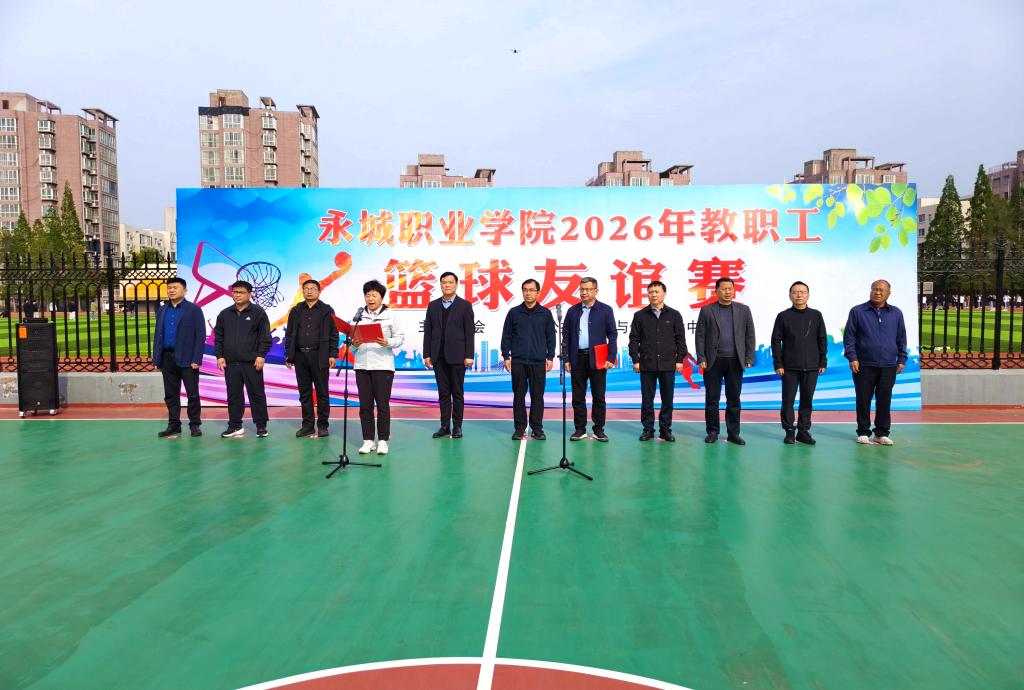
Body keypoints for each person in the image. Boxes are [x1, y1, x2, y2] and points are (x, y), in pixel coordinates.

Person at [843, 279, 908, 445]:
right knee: (863, 399)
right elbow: (849, 337)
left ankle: (881, 433)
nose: (877, 292)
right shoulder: (857, 311)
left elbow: (901, 337)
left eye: (881, 290)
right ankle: (863, 432)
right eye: (874, 289)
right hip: (863, 364)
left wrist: (901, 358)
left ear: (888, 293)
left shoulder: (896, 313)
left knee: (884, 400)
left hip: (888, 365)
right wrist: (852, 357)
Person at [695, 277, 756, 445]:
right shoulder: (707, 310)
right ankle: (712, 432)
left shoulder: (743, 310)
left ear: (734, 290)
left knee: (734, 400)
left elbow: (750, 335)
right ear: (716, 291)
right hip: (712, 361)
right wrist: (701, 358)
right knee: (712, 399)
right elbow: (700, 336)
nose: (727, 292)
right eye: (724, 289)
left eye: (730, 288)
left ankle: (733, 434)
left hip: (735, 361)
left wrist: (749, 358)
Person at [628, 280, 688, 442]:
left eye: (657, 292)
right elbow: (634, 340)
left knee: (667, 399)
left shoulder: (674, 315)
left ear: (664, 294)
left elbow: (680, 339)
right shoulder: (640, 315)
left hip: (668, 364)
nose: (653, 295)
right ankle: (647, 429)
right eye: (650, 292)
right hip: (646, 364)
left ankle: (665, 429)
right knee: (647, 400)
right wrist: (636, 360)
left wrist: (680, 360)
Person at [349, 279, 405, 455]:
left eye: (374, 295)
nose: (370, 299)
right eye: (367, 295)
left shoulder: (391, 315)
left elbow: (400, 338)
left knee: (382, 405)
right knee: (365, 406)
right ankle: (368, 440)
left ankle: (382, 441)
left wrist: (387, 342)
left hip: (383, 366)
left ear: (381, 297)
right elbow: (351, 346)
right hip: (362, 366)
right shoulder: (358, 317)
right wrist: (354, 344)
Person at [771, 281, 827, 445]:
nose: (799, 295)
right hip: (789, 367)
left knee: (807, 400)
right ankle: (789, 431)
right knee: (788, 400)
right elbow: (776, 341)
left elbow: (822, 339)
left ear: (808, 295)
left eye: (803, 292)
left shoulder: (816, 315)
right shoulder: (783, 316)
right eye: (795, 292)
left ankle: (803, 431)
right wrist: (778, 363)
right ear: (790, 296)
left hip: (812, 366)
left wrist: (822, 361)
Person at [214, 280, 272, 438]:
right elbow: (218, 337)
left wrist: (261, 355)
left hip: (252, 362)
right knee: (233, 395)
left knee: (257, 395)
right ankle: (235, 426)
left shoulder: (258, 313)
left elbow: (265, 336)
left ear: (249, 294)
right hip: (231, 363)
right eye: (235, 292)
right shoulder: (224, 314)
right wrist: (220, 356)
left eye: (241, 292)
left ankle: (261, 426)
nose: (237, 295)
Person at [563, 276, 617, 442]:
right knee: (578, 397)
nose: (584, 292)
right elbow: (566, 336)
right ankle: (580, 429)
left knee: (599, 396)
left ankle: (598, 429)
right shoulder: (572, 311)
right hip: (577, 358)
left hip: (598, 358)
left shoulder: (605, 310)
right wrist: (566, 359)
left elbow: (612, 334)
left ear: (596, 291)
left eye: (587, 289)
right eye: (581, 289)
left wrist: (611, 357)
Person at [500, 279, 556, 441]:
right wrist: (506, 356)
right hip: (518, 361)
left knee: (537, 397)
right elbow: (506, 336)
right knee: (518, 396)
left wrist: (550, 357)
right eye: (525, 290)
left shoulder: (545, 313)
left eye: (531, 290)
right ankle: (519, 429)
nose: (528, 293)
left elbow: (550, 337)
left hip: (538, 362)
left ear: (538, 293)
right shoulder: (514, 313)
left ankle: (537, 429)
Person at [423, 271, 475, 439]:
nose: (447, 285)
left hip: (458, 356)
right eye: (444, 282)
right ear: (440, 285)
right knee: (443, 393)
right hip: (438, 356)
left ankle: (457, 426)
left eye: (450, 282)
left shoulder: (465, 305)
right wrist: (427, 354)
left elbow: (470, 332)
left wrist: (469, 354)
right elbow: (428, 332)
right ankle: (444, 426)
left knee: (457, 393)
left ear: (456, 285)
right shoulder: (433, 305)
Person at [152, 277, 206, 438]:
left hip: (188, 358)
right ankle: (174, 424)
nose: (171, 290)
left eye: (175, 287)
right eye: (169, 288)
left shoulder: (194, 310)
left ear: (185, 290)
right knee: (170, 394)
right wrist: (157, 359)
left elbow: (200, 335)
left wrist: (197, 359)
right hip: (167, 357)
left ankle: (195, 425)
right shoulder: (162, 310)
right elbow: (158, 335)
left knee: (192, 394)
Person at [284, 279, 338, 438]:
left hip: (319, 356)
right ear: (303, 291)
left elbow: (334, 334)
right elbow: (289, 334)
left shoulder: (327, 310)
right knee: (304, 393)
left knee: (322, 393)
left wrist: (332, 354)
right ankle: (307, 426)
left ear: (319, 292)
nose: (309, 291)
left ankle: (322, 425)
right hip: (300, 356)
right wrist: (289, 354)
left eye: (313, 288)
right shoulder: (296, 310)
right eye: (306, 288)